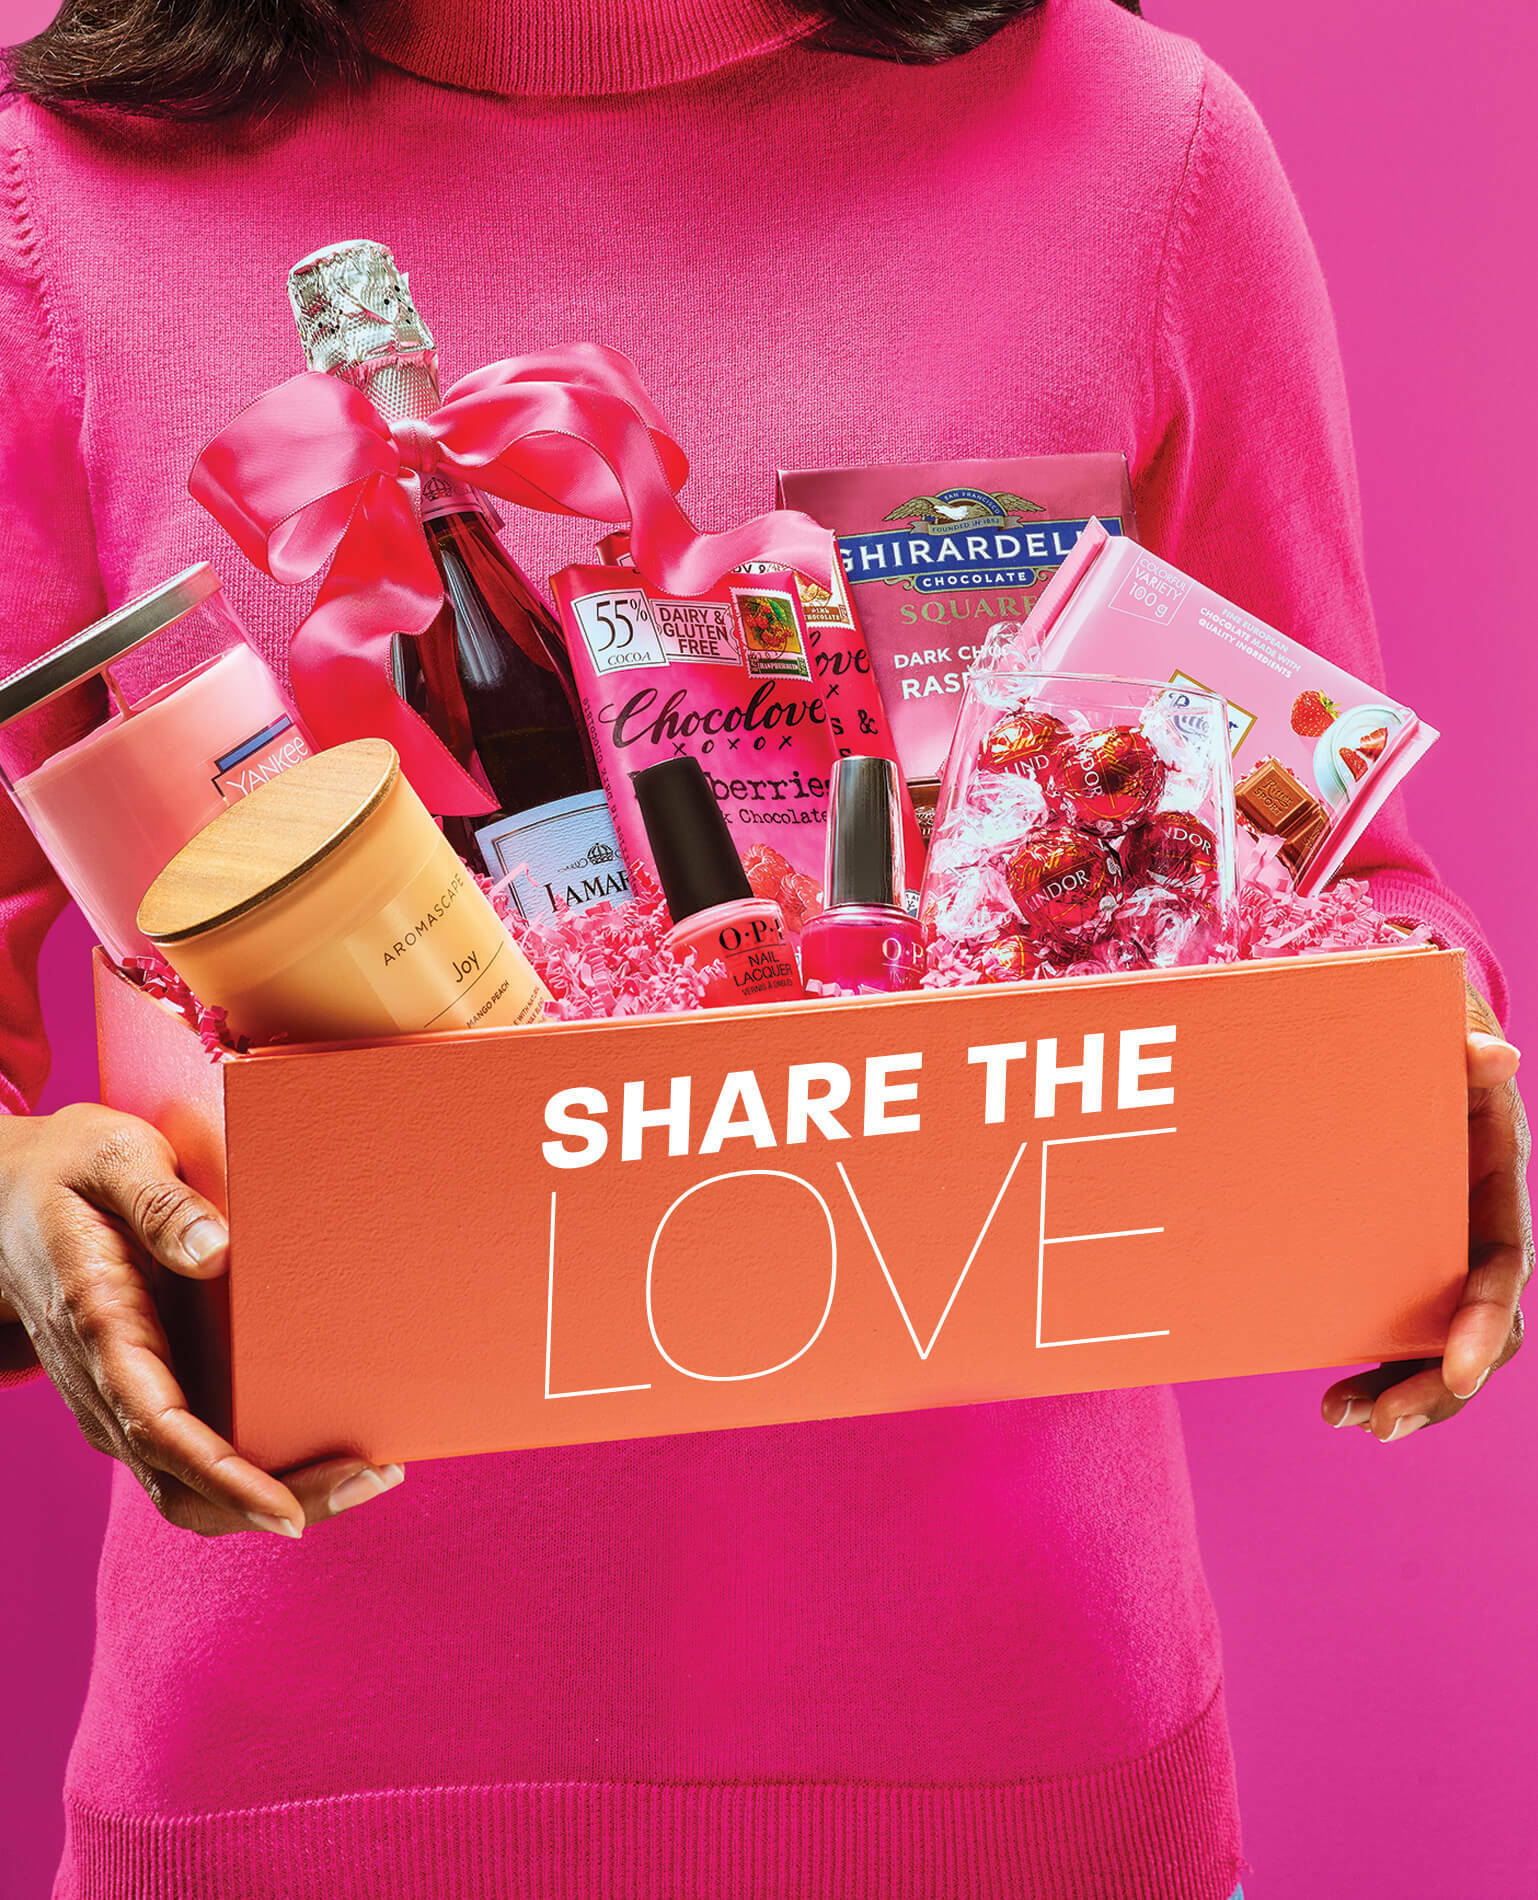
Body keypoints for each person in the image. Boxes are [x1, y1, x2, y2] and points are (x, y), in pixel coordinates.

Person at [0, 1, 1528, 1895]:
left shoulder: (1142, 153)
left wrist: (1414, 1056)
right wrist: (21, 1198)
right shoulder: (58, 192)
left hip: (1008, 1755)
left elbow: (1335, 851)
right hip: (297, 1772)